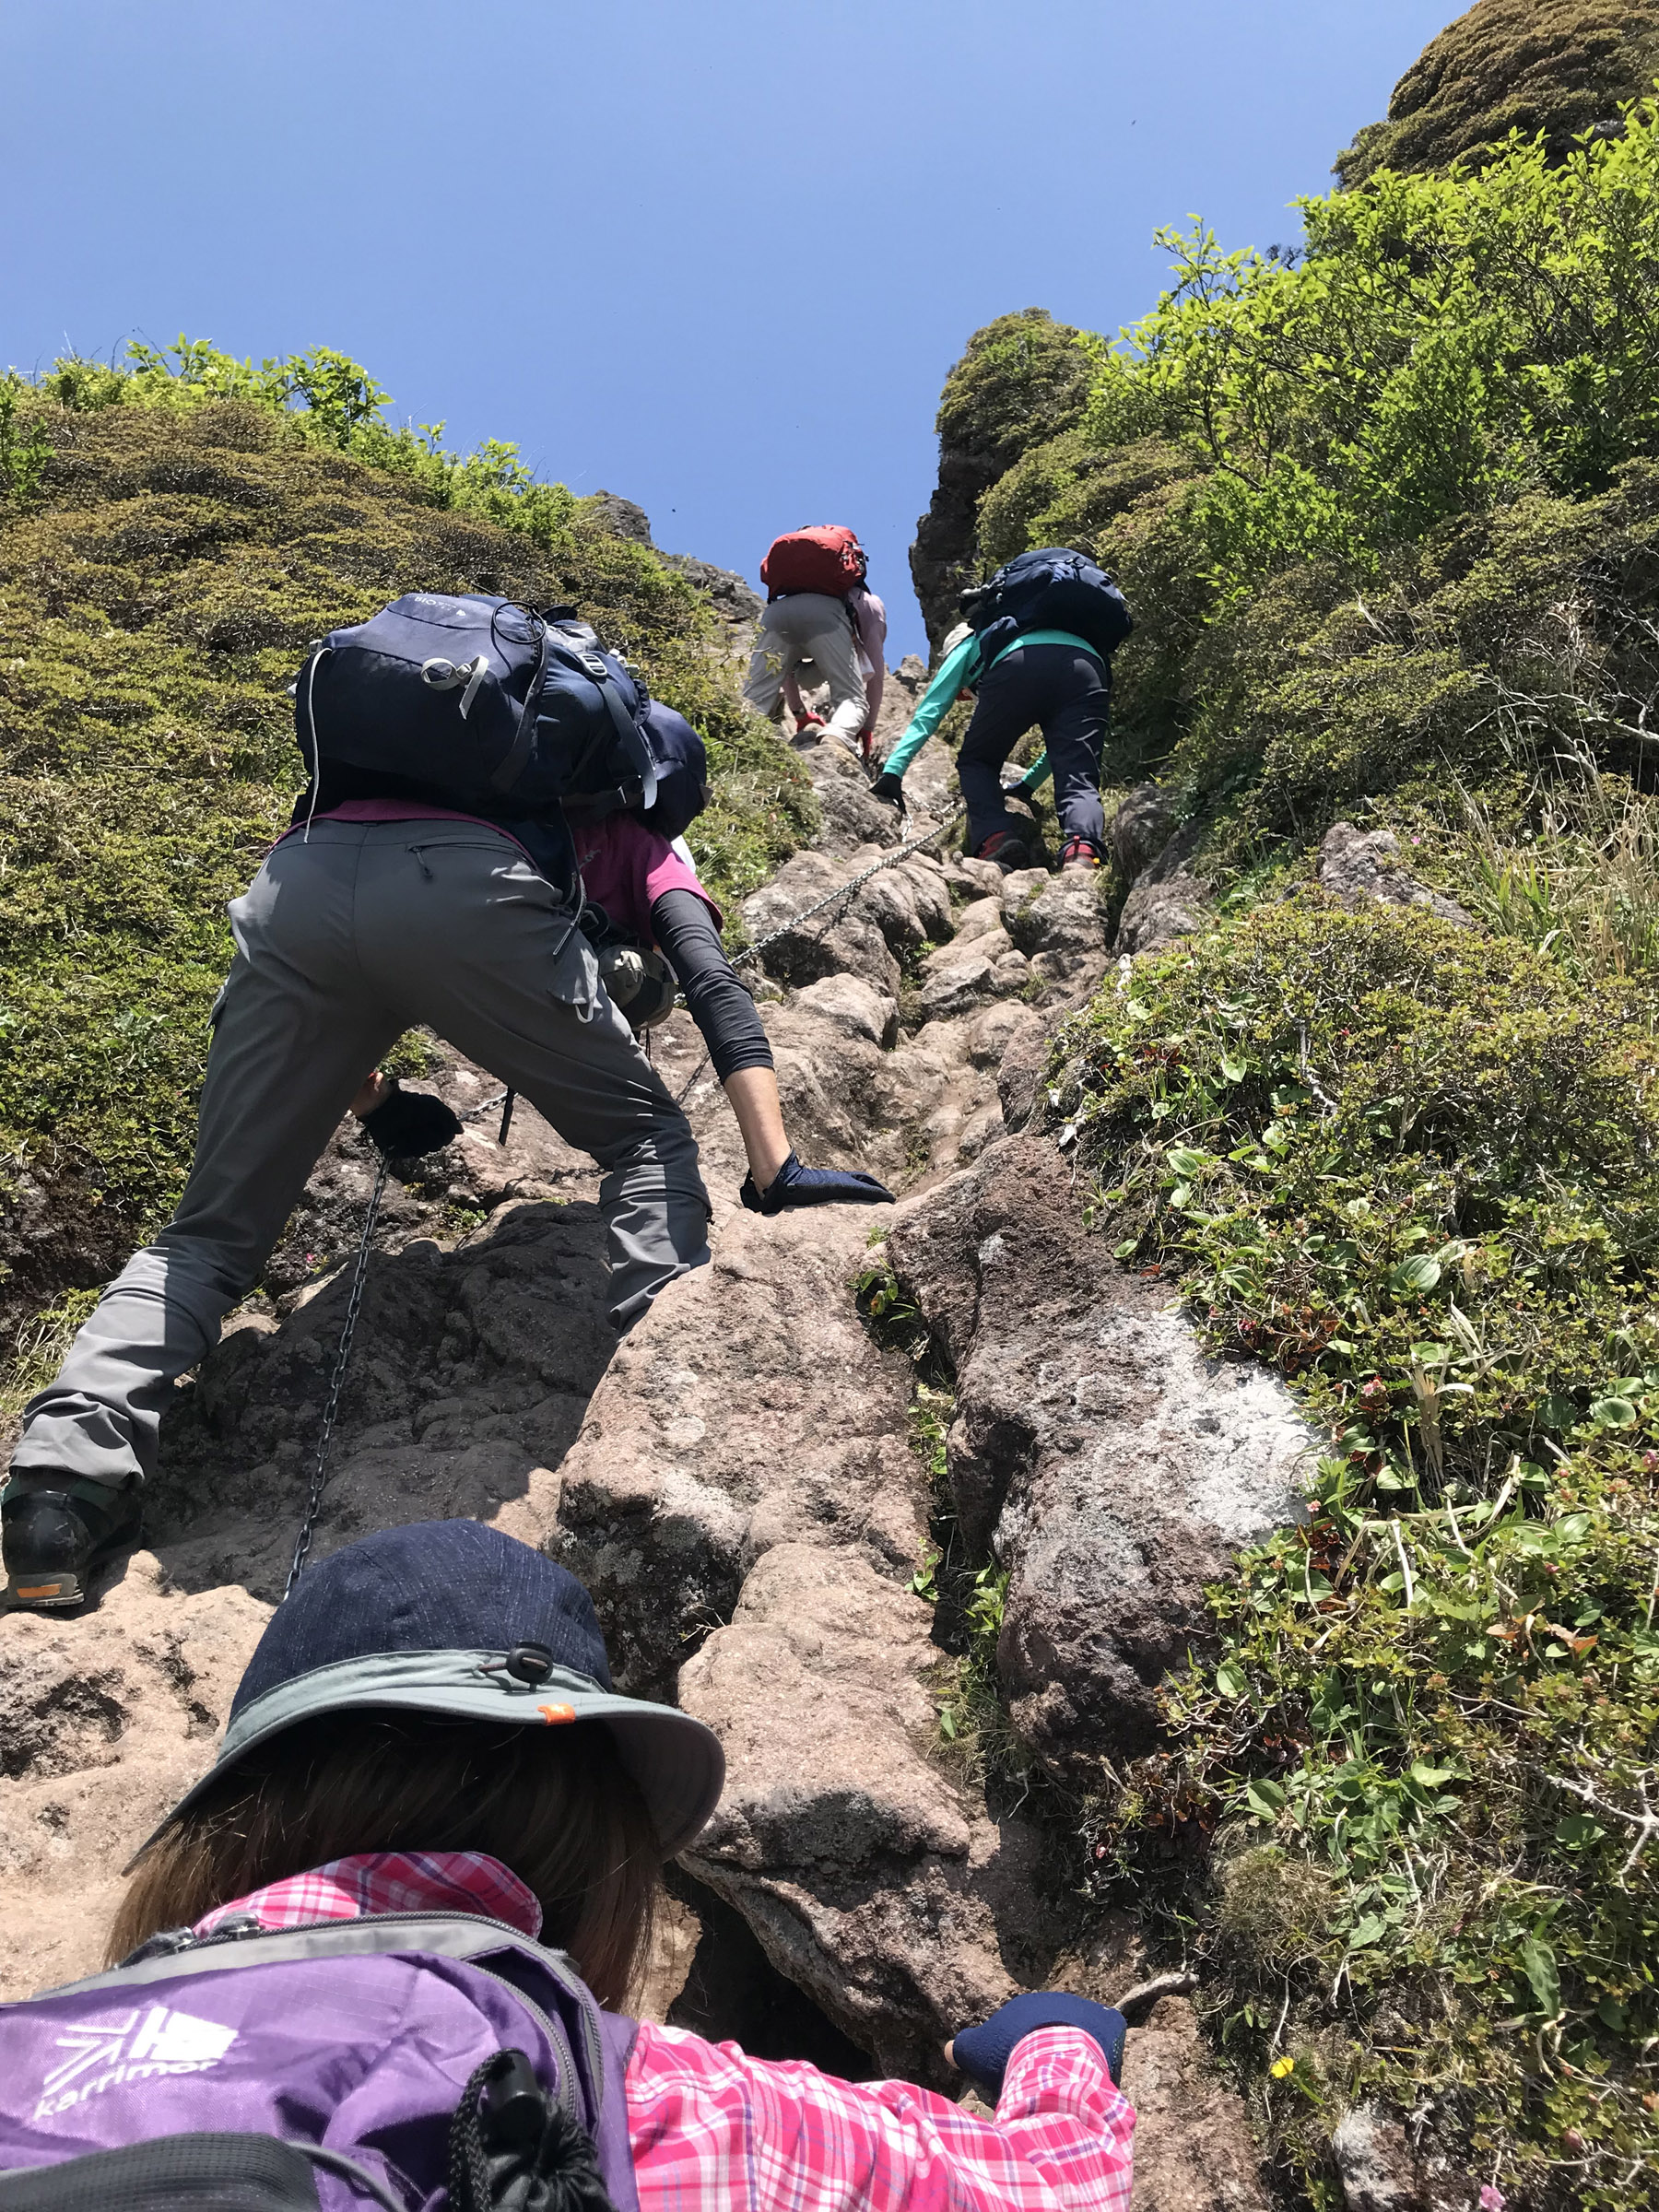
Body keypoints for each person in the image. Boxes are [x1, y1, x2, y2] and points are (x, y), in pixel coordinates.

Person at [1, 706, 890, 1613]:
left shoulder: (427, 780)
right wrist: (775, 1166)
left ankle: (54, 1500)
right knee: (646, 1139)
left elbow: (347, 967)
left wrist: (378, 1104)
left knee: (208, 1240)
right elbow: (710, 980)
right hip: (472, 891)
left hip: (302, 871)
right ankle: (666, 1398)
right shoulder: (642, 843)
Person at [0, 1518, 1138, 2211]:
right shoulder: (633, 2106)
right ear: (601, 1851)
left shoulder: (35, 2048)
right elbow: (1056, 2185)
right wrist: (1057, 2043)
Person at [872, 555, 1131, 872]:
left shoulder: (968, 645)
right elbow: (1062, 748)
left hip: (1019, 663)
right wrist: (1027, 786)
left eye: (964, 693)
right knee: (1078, 771)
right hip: (1089, 667)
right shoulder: (1043, 625)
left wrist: (893, 772)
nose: (966, 696)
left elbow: (930, 712)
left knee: (976, 761)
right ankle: (1083, 851)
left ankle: (995, 838)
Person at [742, 525, 885, 751]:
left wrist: (799, 713)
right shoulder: (867, 602)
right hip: (825, 618)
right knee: (851, 698)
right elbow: (875, 669)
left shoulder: (790, 591)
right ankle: (836, 735)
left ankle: (734, 742)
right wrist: (867, 726)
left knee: (754, 698)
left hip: (776, 613)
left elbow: (781, 668)